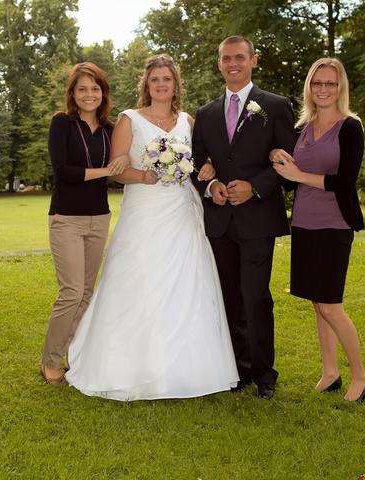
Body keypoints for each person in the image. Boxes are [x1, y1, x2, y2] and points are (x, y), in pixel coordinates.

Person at [65, 54, 239, 401]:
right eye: (155, 79)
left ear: (175, 85)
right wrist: (143, 176)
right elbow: (117, 169)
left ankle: (188, 369)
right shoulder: (129, 120)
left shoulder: (188, 121)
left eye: (167, 79)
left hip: (181, 212)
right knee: (141, 280)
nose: (161, 85)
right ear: (146, 84)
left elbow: (201, 160)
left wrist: (207, 165)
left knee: (188, 284)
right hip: (144, 212)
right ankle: (132, 366)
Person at [191, 36, 296, 400]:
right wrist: (212, 186)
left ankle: (265, 372)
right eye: (226, 58)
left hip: (258, 218)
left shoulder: (276, 106)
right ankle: (238, 369)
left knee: (255, 296)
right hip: (220, 221)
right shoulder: (205, 114)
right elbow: (196, 165)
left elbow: (289, 162)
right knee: (230, 298)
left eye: (239, 57)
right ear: (218, 63)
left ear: (253, 60)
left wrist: (256, 187)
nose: (232, 63)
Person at [271, 57, 365, 402]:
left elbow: (345, 181)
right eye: (318, 83)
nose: (323, 89)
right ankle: (330, 373)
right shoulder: (302, 129)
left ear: (340, 87)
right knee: (318, 302)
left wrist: (298, 175)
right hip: (304, 223)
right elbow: (289, 180)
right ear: (310, 88)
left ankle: (361, 376)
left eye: (330, 83)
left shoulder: (350, 127)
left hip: (334, 224)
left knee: (331, 304)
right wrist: (277, 158)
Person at [41, 62, 128, 385]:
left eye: (95, 88)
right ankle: (50, 361)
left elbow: (124, 163)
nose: (89, 94)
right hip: (66, 218)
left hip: (99, 218)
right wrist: (107, 171)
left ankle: (73, 357)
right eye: (82, 89)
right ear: (73, 94)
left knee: (86, 293)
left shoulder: (110, 129)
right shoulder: (62, 123)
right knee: (72, 292)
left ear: (103, 93)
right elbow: (64, 171)